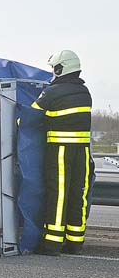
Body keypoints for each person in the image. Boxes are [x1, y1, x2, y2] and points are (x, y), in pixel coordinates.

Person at [32, 50, 93, 256]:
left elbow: (30, 116)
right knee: (78, 193)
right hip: (82, 152)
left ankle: (52, 243)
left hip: (60, 151)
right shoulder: (85, 93)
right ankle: (75, 242)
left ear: (61, 68)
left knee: (58, 194)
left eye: (54, 68)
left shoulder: (52, 92)